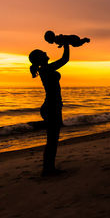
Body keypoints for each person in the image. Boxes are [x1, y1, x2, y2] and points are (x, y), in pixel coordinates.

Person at [29, 42, 70, 176]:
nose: (46, 53)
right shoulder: (46, 69)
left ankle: (49, 168)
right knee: (52, 139)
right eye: (43, 53)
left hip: (53, 106)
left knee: (53, 139)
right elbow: (65, 60)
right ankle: (48, 170)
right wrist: (66, 44)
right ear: (40, 58)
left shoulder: (46, 69)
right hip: (51, 107)